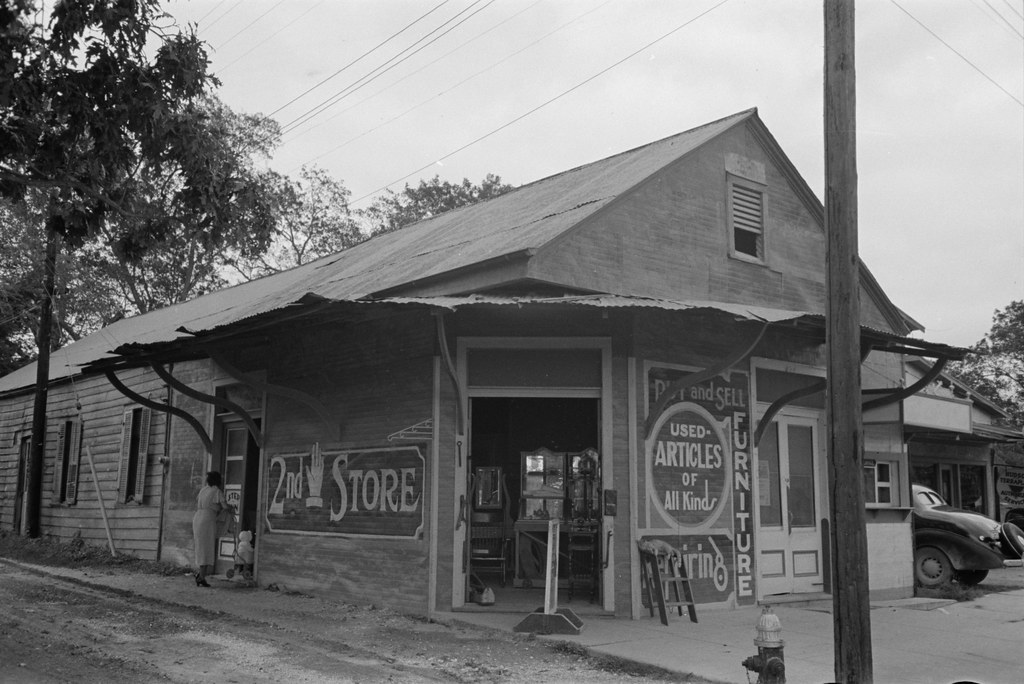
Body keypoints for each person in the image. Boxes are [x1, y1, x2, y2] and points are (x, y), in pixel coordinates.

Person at [192, 471, 232, 587]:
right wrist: (231, 507)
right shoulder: (217, 491)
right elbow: (225, 507)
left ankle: (201, 575)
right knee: (207, 547)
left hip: (198, 518)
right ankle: (201, 576)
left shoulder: (203, 490)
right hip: (207, 520)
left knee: (201, 547)